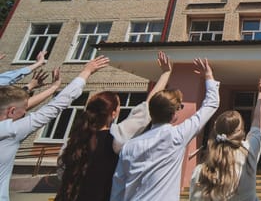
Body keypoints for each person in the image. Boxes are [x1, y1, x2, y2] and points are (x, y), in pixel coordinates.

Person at [55, 51, 174, 201]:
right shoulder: (116, 137)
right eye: (119, 107)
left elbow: (61, 174)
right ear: (113, 113)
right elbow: (147, 108)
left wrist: (86, 72)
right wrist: (166, 73)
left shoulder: (72, 141)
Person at [0, 55, 109, 201]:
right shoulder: (10, 131)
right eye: (24, 110)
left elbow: (18, 103)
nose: (26, 112)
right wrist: (86, 72)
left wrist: (49, 88)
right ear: (12, 112)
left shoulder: (8, 122)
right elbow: (56, 105)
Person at [111, 57, 220, 201]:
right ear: (174, 113)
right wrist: (208, 76)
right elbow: (211, 103)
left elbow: (118, 188)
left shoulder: (128, 147)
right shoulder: (177, 136)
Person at [189, 75, 261, 201]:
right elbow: (257, 121)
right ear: (241, 132)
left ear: (216, 131)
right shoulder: (249, 154)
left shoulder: (200, 172)